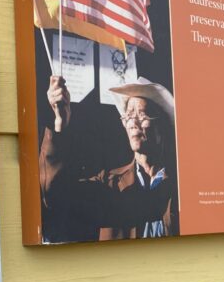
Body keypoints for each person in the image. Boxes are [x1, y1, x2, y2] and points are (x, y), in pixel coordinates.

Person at [43, 76, 179, 240]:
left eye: (142, 114)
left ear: (162, 126)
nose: (132, 122)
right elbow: (58, 194)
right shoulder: (111, 183)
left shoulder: (181, 185)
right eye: (128, 115)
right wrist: (59, 124)